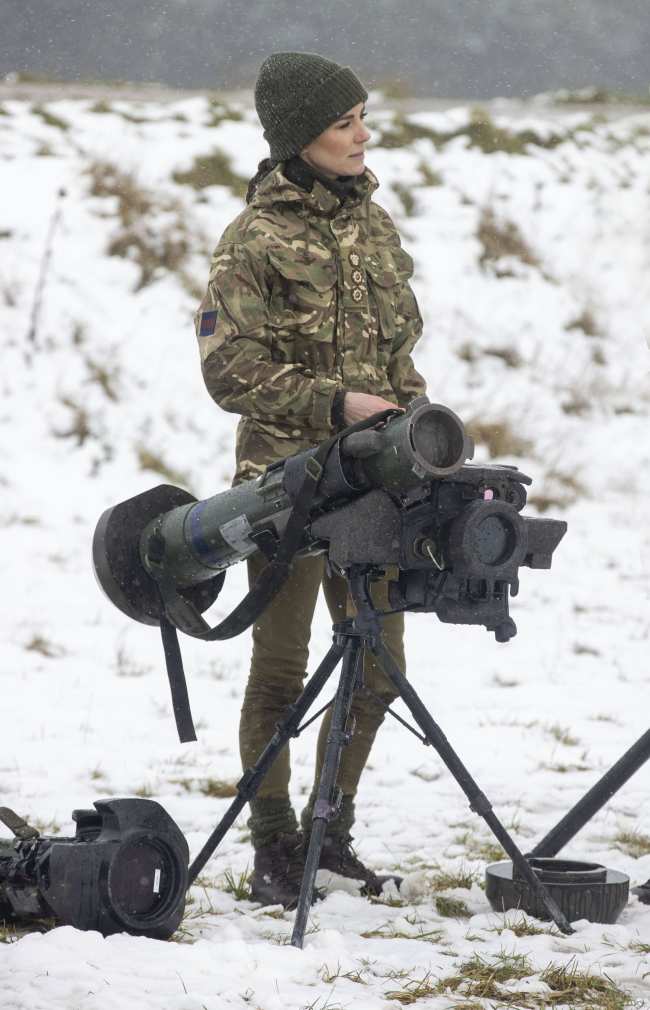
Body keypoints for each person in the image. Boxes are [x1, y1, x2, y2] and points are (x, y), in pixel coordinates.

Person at [194, 52, 427, 907]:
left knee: (377, 667)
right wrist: (334, 406)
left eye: (364, 116)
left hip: (374, 488)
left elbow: (402, 358)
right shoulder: (252, 239)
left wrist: (415, 433)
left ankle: (332, 830)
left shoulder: (377, 228)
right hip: (284, 487)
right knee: (282, 669)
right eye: (345, 123)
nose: (364, 135)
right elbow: (230, 371)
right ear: (302, 138)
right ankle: (275, 846)